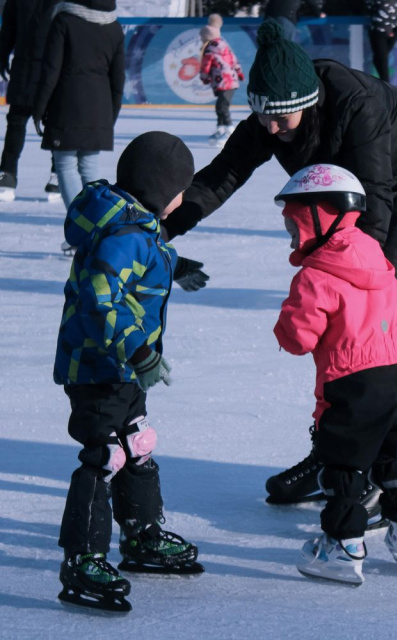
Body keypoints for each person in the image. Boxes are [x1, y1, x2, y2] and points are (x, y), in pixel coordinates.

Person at [161, 19, 397, 507]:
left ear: (308, 102)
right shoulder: (270, 112)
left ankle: (373, 479)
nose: (271, 130)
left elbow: (377, 198)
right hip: (350, 209)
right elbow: (224, 174)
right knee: (340, 342)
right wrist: (164, 228)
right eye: (263, 119)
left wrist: (347, 273)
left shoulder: (356, 104)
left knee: (365, 338)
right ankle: (334, 456)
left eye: (280, 120)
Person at [54, 131, 208, 613]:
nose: (182, 198)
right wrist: (140, 352)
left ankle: (141, 534)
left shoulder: (135, 228)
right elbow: (102, 296)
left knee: (136, 443)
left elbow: (143, 257)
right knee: (105, 455)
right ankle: (83, 557)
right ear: (162, 191)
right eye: (181, 188)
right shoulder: (128, 235)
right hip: (101, 368)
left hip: (120, 367)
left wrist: (174, 263)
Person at [273, 163, 397, 584]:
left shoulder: (317, 274)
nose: (291, 233)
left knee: (345, 467)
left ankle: (342, 548)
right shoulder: (375, 255)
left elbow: (298, 338)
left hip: (352, 383)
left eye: (294, 224)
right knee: (392, 455)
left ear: (318, 216)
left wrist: (286, 318)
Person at [32, 0, 125, 251]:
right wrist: (111, 115)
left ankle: (83, 231)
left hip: (68, 102)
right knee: (89, 166)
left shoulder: (65, 19)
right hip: (100, 105)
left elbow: (51, 68)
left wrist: (39, 107)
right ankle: (97, 228)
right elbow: (118, 78)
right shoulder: (114, 26)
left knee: (65, 164)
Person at [0, 0, 60, 202]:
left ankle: (57, 173)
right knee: (18, 121)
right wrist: (2, 56)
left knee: (55, 121)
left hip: (54, 69)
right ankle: (7, 173)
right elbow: (8, 29)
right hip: (27, 69)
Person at [199, 22, 244, 148]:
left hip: (223, 82)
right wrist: (239, 73)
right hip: (230, 81)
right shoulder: (225, 47)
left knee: (222, 107)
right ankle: (220, 129)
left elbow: (205, 66)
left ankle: (230, 131)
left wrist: (204, 78)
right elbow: (234, 61)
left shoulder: (209, 49)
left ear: (207, 37)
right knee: (221, 106)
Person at [364, 0, 397, 82]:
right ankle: (385, 83)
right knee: (381, 58)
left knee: (381, 58)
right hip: (383, 30)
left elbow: (370, 8)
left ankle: (384, 83)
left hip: (388, 30)